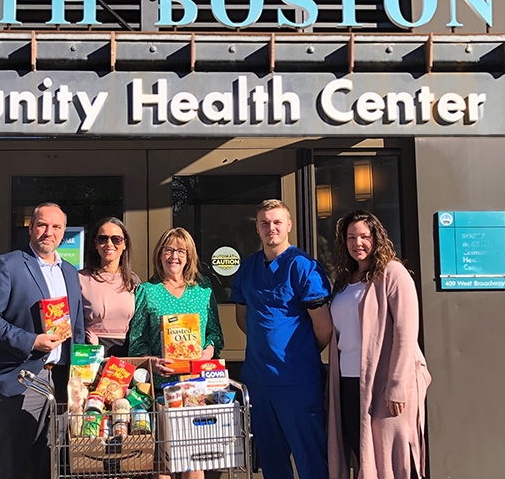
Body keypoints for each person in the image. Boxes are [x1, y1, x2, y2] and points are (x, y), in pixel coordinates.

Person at [0, 202, 85, 479]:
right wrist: (32, 341)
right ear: (31, 228)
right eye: (43, 225)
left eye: (56, 227)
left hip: (58, 381)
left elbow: (76, 327)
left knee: (51, 462)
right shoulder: (8, 265)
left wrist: (79, 377)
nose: (49, 232)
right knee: (12, 464)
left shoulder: (69, 272)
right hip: (19, 379)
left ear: (64, 232)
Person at [231, 199, 333, 479]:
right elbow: (243, 318)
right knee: (272, 460)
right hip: (259, 381)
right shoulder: (248, 267)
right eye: (264, 222)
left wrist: (299, 354)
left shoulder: (303, 266)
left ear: (288, 225)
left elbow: (323, 327)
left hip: (297, 381)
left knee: (310, 456)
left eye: (277, 222)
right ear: (257, 228)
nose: (271, 227)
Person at [327, 210, 432, 479]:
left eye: (364, 236)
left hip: (385, 384)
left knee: (389, 460)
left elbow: (406, 331)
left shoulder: (392, 273)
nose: (357, 243)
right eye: (351, 237)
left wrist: (397, 384)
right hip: (350, 382)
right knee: (362, 458)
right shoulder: (344, 280)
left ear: (377, 238)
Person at [127, 227, 224, 479]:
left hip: (195, 389)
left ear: (189, 256)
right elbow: (136, 343)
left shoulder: (203, 290)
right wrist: (153, 362)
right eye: (168, 250)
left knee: (195, 460)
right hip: (162, 389)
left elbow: (216, 334)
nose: (174, 256)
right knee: (164, 462)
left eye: (181, 251)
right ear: (159, 255)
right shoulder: (147, 291)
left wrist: (206, 353)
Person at [78, 217, 139, 356]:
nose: (109, 244)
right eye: (103, 239)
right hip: (90, 353)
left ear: (125, 244)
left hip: (126, 356)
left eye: (116, 239)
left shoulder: (133, 281)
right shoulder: (80, 279)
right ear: (95, 244)